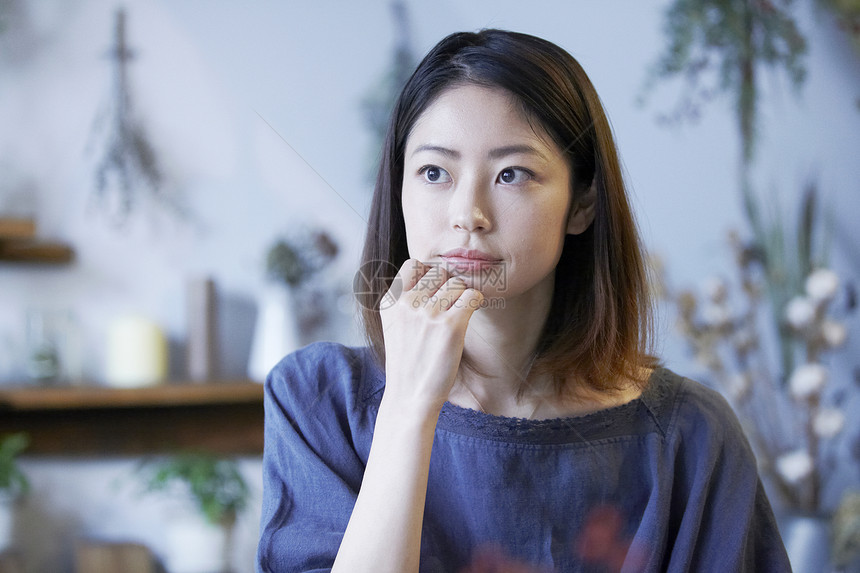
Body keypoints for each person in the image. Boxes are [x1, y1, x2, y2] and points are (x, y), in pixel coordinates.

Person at [257, 29, 791, 573]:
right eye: (434, 173)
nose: (469, 214)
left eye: (512, 174)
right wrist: (408, 408)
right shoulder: (316, 402)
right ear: (399, 190)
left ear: (582, 203)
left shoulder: (690, 435)